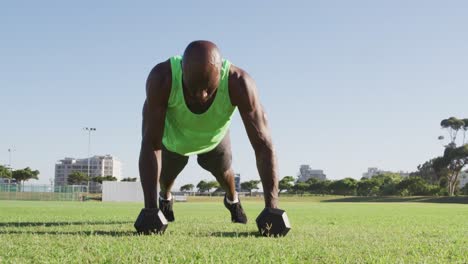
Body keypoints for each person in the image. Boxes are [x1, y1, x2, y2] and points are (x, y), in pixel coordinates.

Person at [139, 40, 279, 224]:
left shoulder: (239, 83)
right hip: (174, 141)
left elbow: (263, 145)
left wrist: (272, 209)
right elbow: (150, 144)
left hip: (214, 140)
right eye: (193, 89)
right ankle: (165, 199)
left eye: (208, 89)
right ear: (182, 70)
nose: (201, 96)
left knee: (225, 174)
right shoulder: (162, 78)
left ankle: (233, 200)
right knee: (165, 180)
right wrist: (150, 211)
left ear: (220, 73)